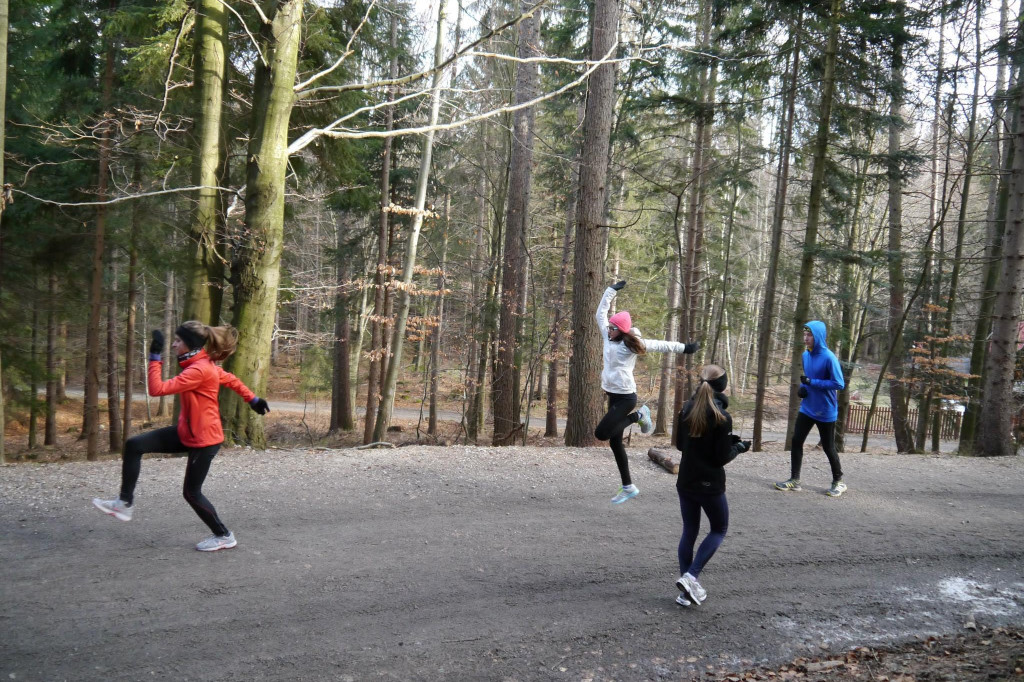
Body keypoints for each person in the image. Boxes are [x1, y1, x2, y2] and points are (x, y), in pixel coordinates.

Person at [93, 322, 271, 551]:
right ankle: (124, 503)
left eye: (178, 340)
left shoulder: (199, 370)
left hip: (204, 440)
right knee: (134, 445)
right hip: (187, 431)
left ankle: (224, 535)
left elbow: (157, 389)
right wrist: (253, 399)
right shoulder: (201, 364)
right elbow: (231, 379)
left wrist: (155, 356)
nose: (174, 344)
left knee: (191, 493)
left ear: (190, 344)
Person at [595, 280, 699, 504]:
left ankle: (640, 415)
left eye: (613, 328)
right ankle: (628, 487)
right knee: (615, 442)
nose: (608, 329)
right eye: (609, 326)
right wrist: (610, 291)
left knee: (602, 434)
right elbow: (600, 313)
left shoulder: (630, 344)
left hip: (626, 397)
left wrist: (685, 348)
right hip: (612, 394)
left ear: (621, 331)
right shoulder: (607, 336)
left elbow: (661, 345)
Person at [673, 364, 749, 606]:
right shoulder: (722, 417)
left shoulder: (687, 408)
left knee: (689, 531)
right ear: (722, 386)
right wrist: (738, 447)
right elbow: (720, 458)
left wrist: (726, 442)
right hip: (710, 484)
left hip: (686, 481)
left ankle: (686, 591)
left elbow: (681, 445)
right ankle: (690, 577)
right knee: (719, 528)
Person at [775, 320, 847, 497]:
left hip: (825, 410)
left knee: (828, 447)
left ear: (819, 337)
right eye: (805, 334)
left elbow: (839, 383)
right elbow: (808, 378)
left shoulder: (829, 358)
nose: (806, 338)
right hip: (807, 407)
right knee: (796, 441)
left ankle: (838, 482)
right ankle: (795, 480)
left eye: (810, 335)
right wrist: (803, 388)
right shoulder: (805, 355)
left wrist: (813, 383)